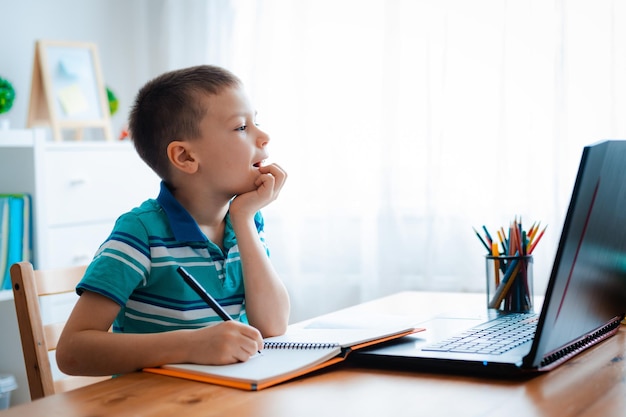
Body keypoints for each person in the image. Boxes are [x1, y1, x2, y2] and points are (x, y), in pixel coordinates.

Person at [56, 65, 290, 376]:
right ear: (185, 158)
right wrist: (192, 345)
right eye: (241, 128)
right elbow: (72, 352)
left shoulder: (244, 222)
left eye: (255, 121)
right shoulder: (141, 233)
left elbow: (273, 327)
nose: (263, 136)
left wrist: (245, 219)